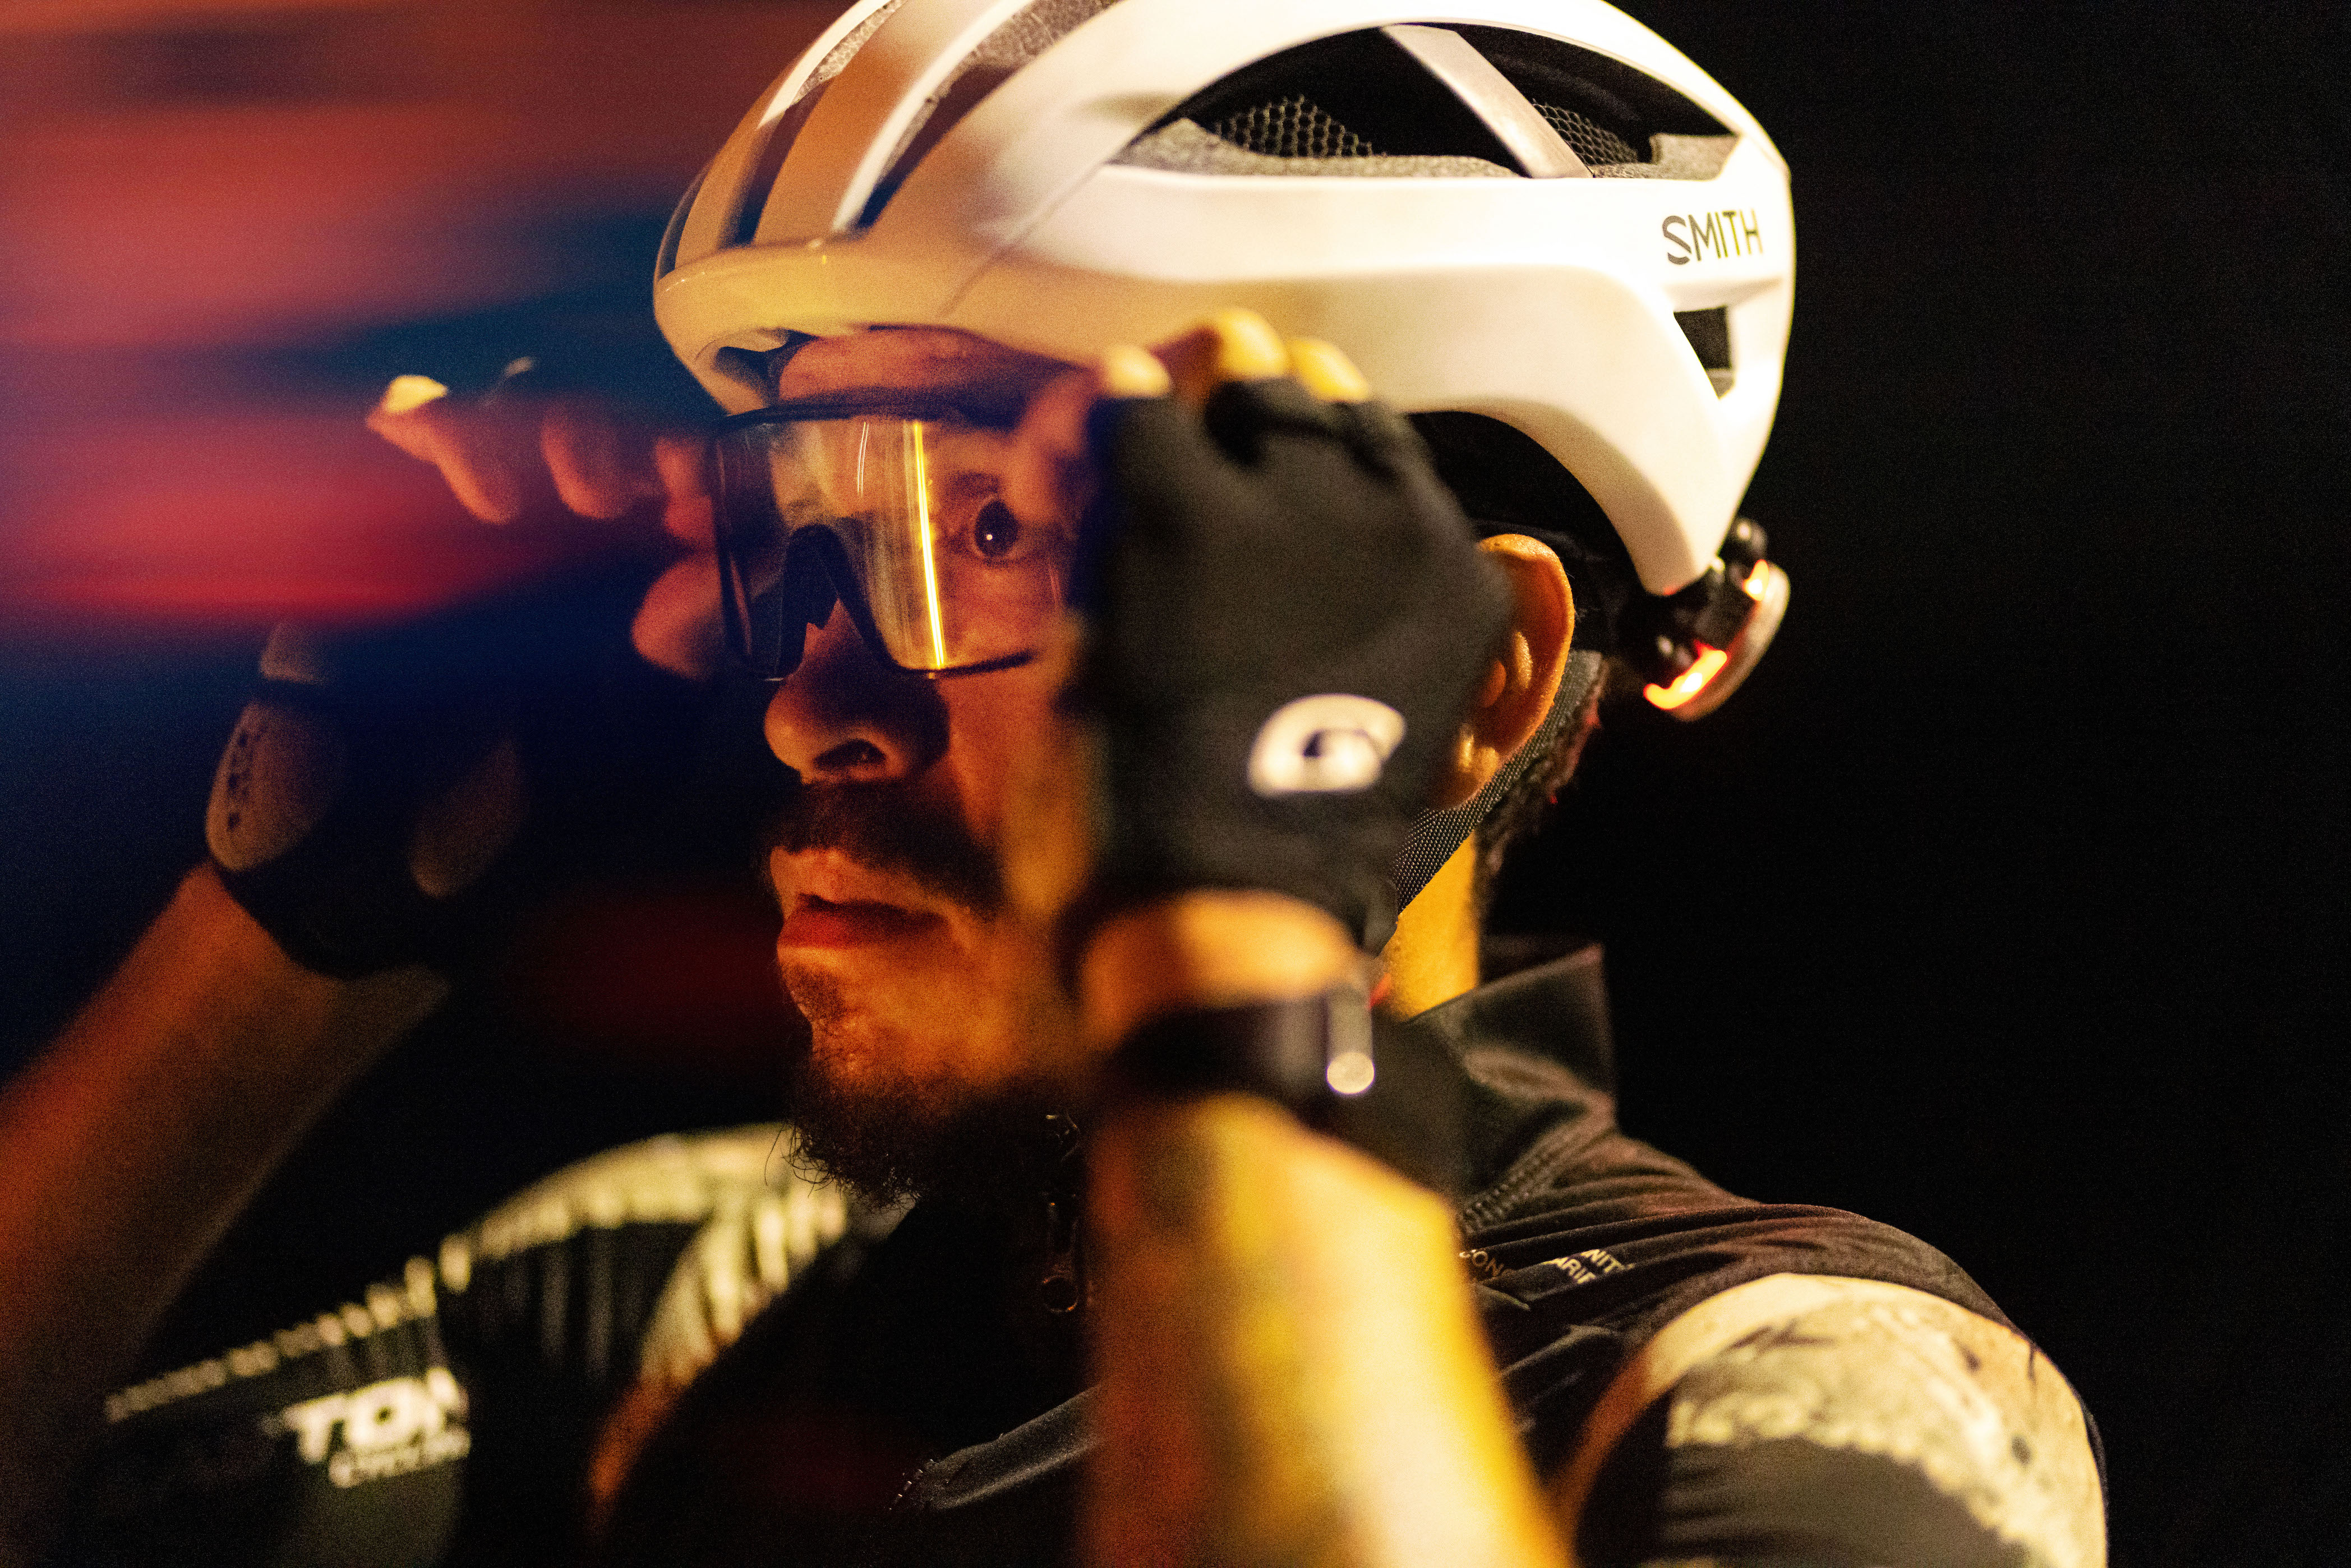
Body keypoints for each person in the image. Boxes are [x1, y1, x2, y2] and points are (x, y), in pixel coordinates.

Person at [0, 1, 2107, 1564]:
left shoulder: (1784, 1377)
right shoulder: (699, 1305)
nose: (810, 707)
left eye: (991, 529)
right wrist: (289, 930)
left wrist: (1233, 950)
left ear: (1472, 681)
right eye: (809, 535)